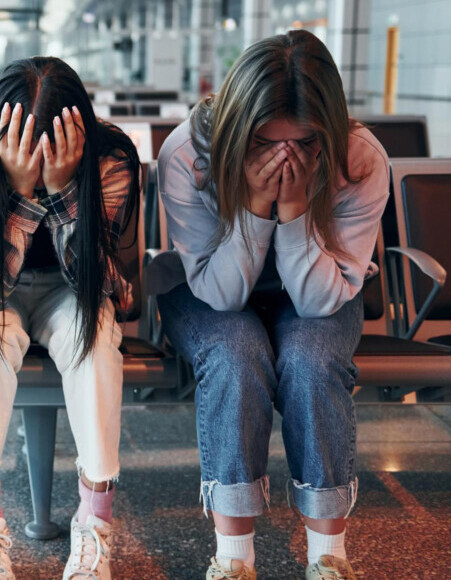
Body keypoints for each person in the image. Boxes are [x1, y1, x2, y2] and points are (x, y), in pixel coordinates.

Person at [153, 30, 388, 579]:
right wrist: (257, 208)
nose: (285, 156)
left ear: (328, 131)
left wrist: (297, 208)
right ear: (237, 126)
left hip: (315, 293)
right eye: (264, 141)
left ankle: (328, 557)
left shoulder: (359, 160)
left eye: (304, 142)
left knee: (312, 360)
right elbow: (220, 293)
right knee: (235, 351)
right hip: (209, 290)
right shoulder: (189, 154)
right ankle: (234, 560)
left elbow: (317, 301)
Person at [0, 56, 140, 580]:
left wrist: (67, 190)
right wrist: (20, 195)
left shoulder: (109, 160)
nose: (38, 158)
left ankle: (95, 526)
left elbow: (97, 284)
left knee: (92, 333)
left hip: (73, 288)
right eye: (21, 142)